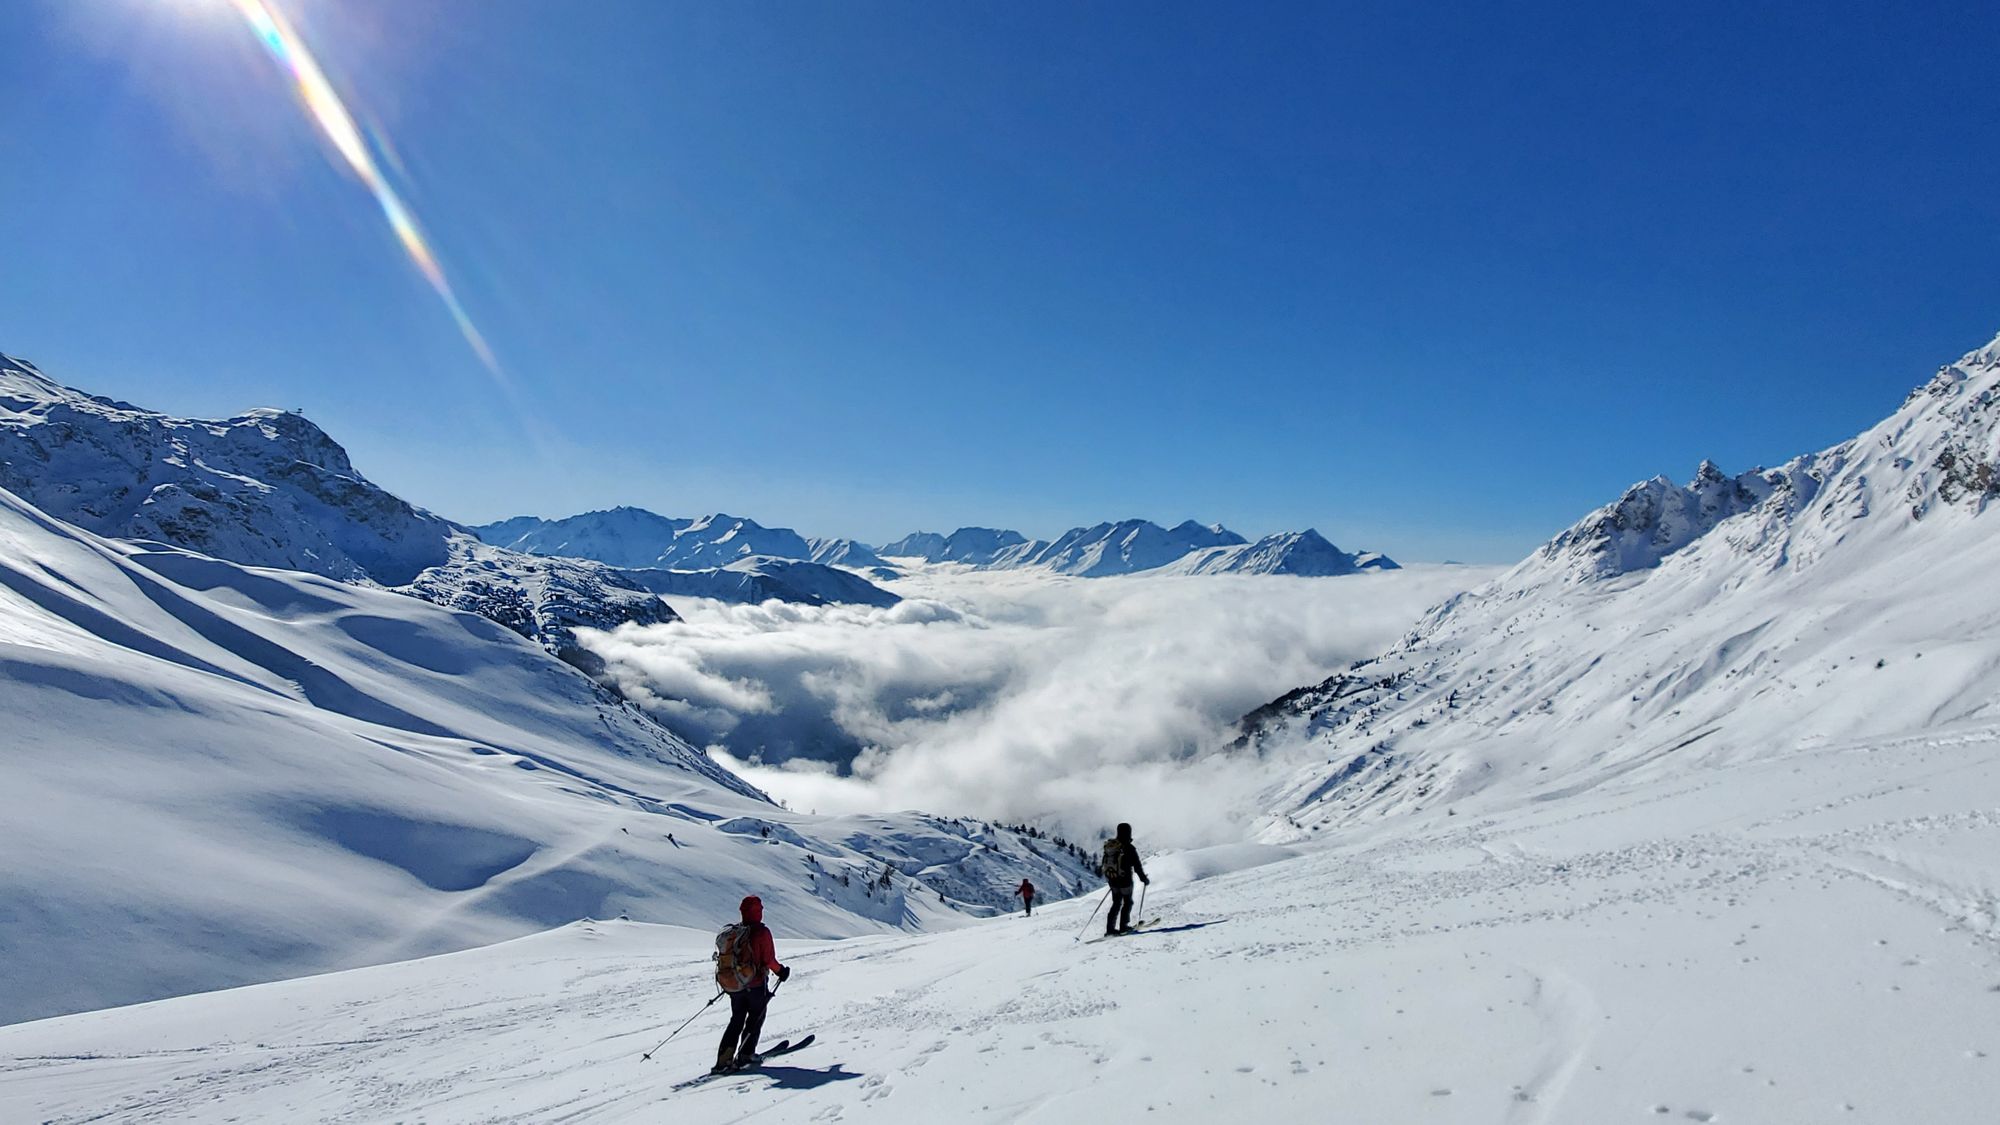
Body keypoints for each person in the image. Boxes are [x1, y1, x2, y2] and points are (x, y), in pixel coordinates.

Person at [715, 895, 790, 1073]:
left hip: (736, 985)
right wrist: (781, 971)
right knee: (756, 1017)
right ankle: (746, 1054)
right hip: (755, 984)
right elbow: (769, 960)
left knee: (737, 1019)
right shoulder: (761, 932)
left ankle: (724, 1059)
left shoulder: (735, 932)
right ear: (757, 912)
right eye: (760, 909)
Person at [1100, 823, 1149, 936]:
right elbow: (1137, 866)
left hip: (1113, 881)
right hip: (1125, 881)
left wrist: (1112, 877)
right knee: (1127, 902)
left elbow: (1104, 863)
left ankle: (1110, 929)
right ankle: (1124, 927)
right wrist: (1144, 879)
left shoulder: (1111, 847)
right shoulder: (1129, 848)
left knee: (1116, 903)